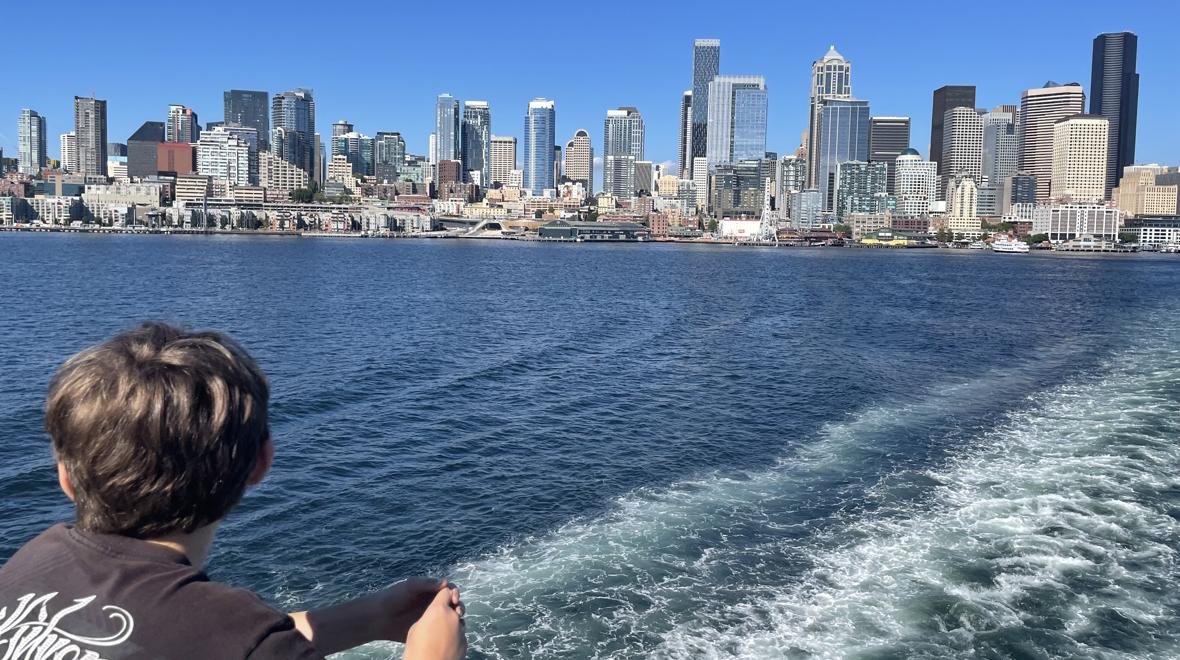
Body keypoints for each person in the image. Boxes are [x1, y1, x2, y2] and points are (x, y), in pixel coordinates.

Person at [0, 322, 467, 659]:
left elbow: (211, 641)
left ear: (64, 475)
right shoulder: (232, 632)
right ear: (260, 464)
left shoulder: (31, 565)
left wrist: (373, 617)